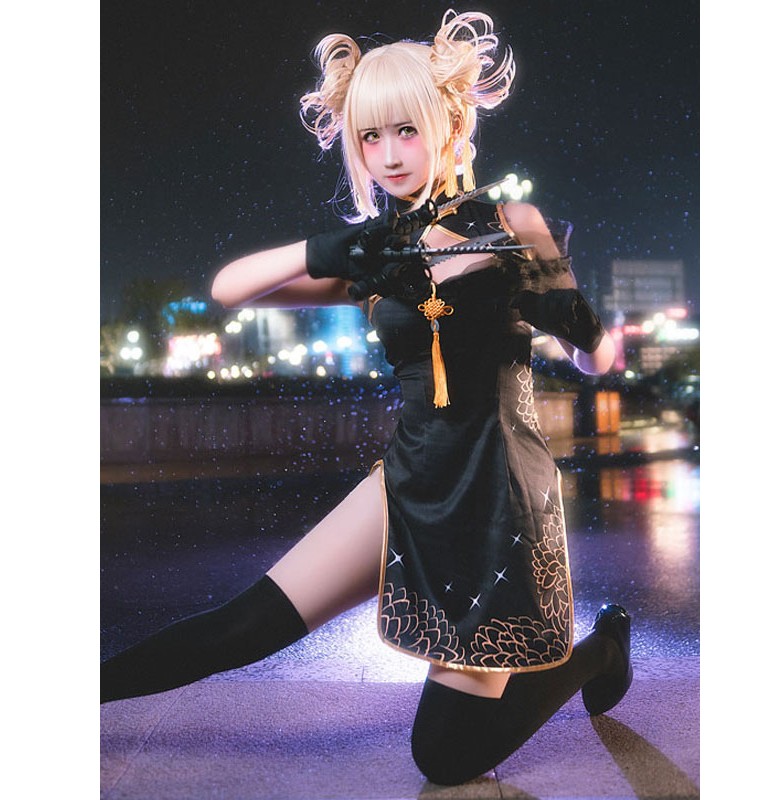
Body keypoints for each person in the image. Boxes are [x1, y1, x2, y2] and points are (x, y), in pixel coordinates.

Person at [101, 9, 632, 786]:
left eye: (405, 131)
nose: (388, 155)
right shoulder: (375, 256)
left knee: (445, 754)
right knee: (246, 624)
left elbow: (597, 358)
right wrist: (335, 249)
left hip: (499, 502)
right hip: (408, 481)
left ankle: (600, 651)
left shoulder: (514, 224)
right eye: (370, 136)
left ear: (448, 123)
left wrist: (572, 320)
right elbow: (229, 289)